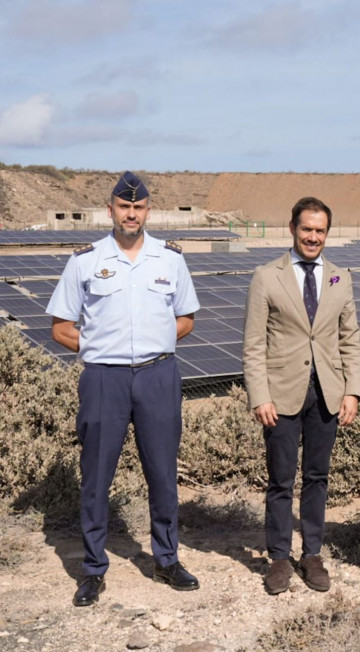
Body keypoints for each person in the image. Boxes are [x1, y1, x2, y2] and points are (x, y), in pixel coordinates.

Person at [46, 171, 201, 607]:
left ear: (148, 211)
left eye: (138, 207)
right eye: (123, 206)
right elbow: (60, 327)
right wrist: (102, 348)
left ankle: (166, 559)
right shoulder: (84, 260)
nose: (131, 214)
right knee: (96, 477)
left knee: (163, 474)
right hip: (103, 379)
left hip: (158, 376)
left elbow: (187, 318)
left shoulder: (169, 259)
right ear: (110, 208)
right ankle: (93, 569)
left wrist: (154, 344)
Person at [242, 196, 360, 595]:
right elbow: (254, 343)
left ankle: (312, 555)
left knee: (317, 477)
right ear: (292, 228)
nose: (313, 237)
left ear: (327, 233)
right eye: (307, 229)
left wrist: (353, 391)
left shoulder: (339, 277)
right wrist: (259, 395)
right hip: (281, 394)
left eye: (320, 230)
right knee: (280, 479)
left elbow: (349, 340)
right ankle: (278, 558)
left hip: (327, 394)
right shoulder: (266, 276)